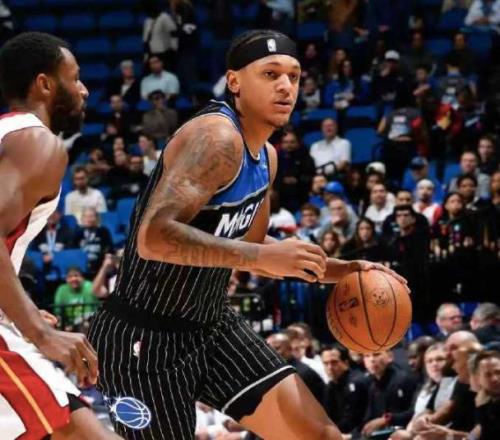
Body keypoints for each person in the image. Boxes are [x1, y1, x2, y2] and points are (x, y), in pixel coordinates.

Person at [88, 29, 406, 439]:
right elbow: (153, 238)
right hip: (143, 339)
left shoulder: (267, 158)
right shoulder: (216, 137)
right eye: (270, 74)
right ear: (234, 82)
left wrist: (341, 270)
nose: (286, 86)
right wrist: (259, 258)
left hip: (212, 325)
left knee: (320, 435)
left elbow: (253, 247)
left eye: (294, 76)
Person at [0, 31, 118, 439]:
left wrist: (22, 312)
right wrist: (40, 332)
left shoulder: (9, 136)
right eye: (75, 77)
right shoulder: (38, 143)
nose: (84, 90)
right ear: (45, 84)